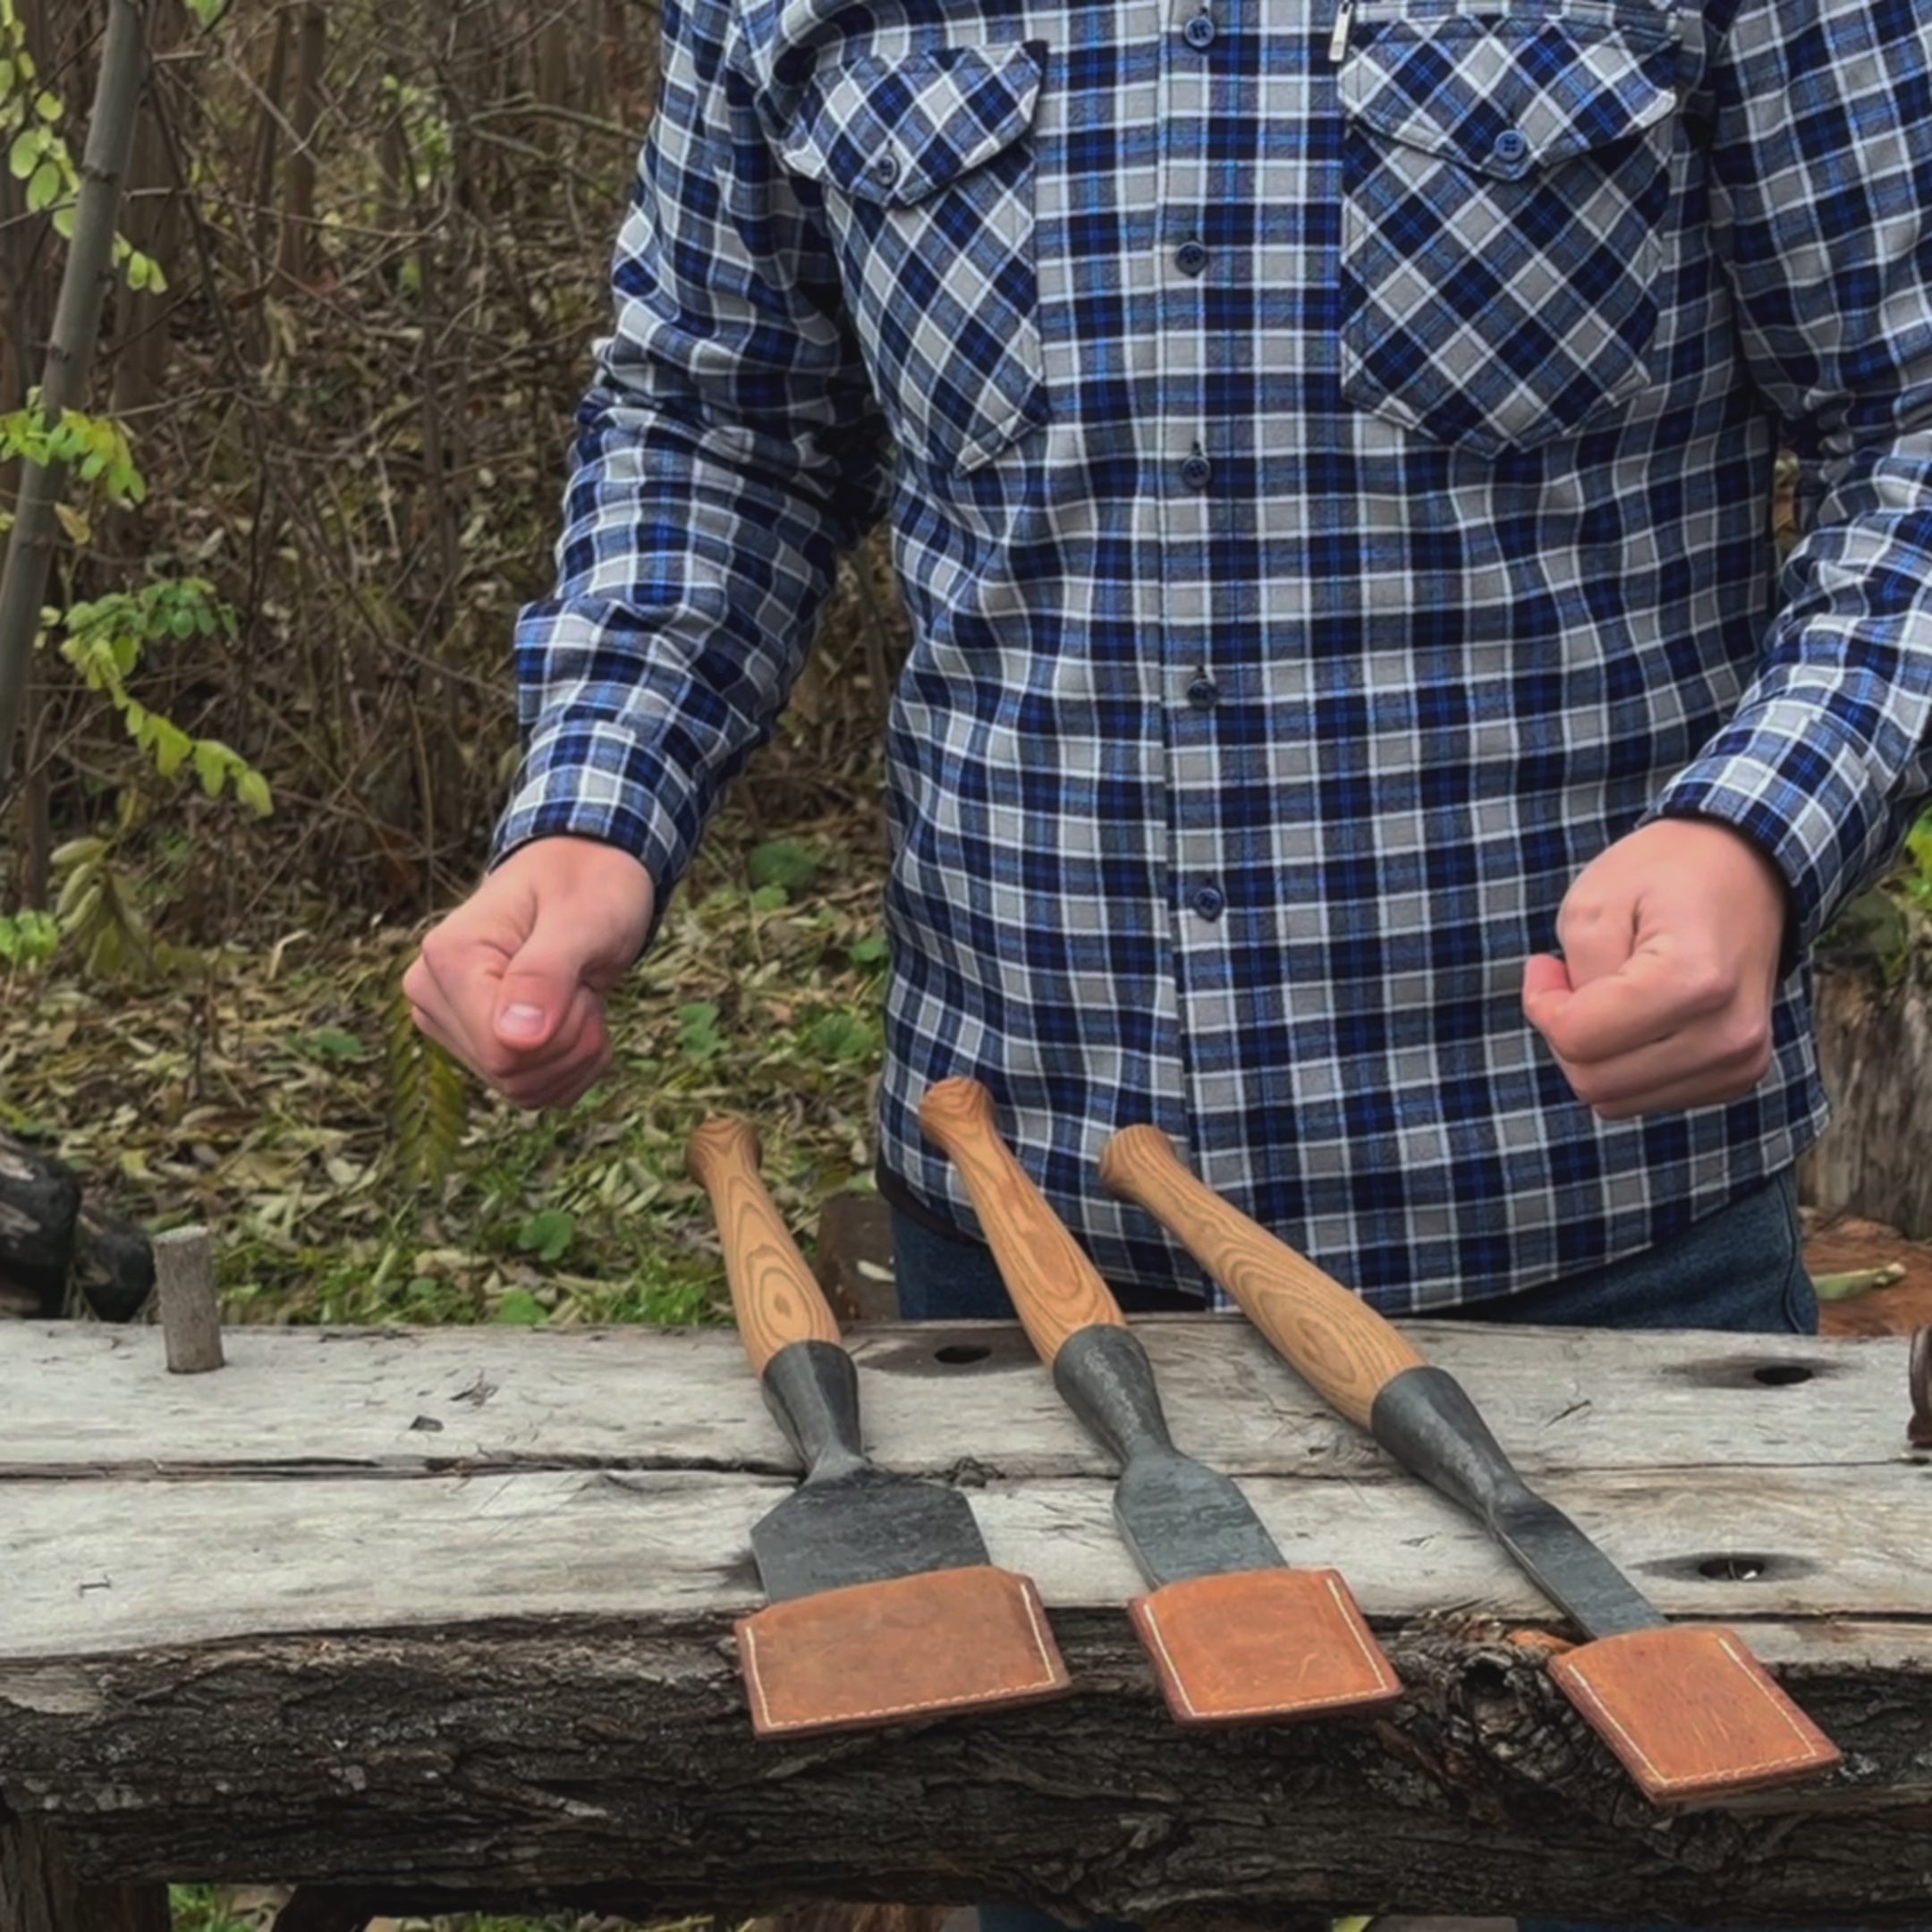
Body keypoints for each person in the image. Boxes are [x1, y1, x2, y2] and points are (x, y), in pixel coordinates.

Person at [404, 0, 1932, 1918]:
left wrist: (1759, 824)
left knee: (1685, 1856)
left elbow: (1913, 416)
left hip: (1598, 1255)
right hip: (1033, 1288)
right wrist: (589, 809)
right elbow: (720, 426)